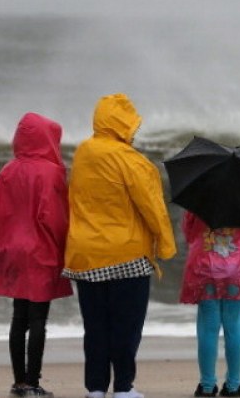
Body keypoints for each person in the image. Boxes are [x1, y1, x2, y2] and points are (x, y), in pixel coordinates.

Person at [62, 93, 177, 398]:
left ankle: (96, 388)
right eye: (132, 125)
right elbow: (152, 207)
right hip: (127, 255)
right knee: (126, 328)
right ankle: (124, 387)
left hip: (86, 255)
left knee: (96, 327)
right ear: (123, 125)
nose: (135, 130)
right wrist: (165, 246)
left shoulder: (83, 152)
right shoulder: (132, 161)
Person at [0, 112, 73, 398]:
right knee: (38, 319)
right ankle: (33, 383)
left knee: (18, 317)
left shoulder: (7, 171)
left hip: (12, 249)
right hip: (40, 250)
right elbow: (55, 218)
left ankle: (18, 383)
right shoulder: (51, 172)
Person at [179, 212, 240, 398]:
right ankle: (233, 386)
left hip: (205, 270)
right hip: (238, 271)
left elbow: (189, 234)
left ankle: (207, 385)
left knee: (207, 330)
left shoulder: (198, 199)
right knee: (235, 330)